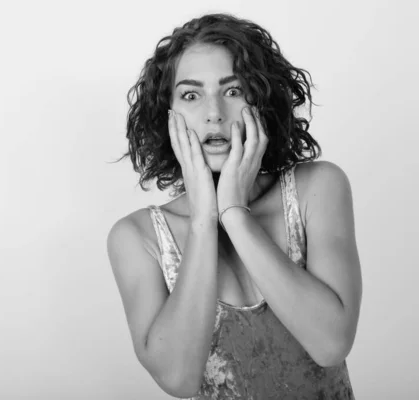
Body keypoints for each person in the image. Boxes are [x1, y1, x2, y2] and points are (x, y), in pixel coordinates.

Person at [106, 13, 362, 399]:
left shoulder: (318, 187)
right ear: (167, 114)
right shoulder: (137, 237)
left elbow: (330, 344)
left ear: (261, 99)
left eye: (233, 90)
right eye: (191, 95)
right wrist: (204, 222)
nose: (214, 113)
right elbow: (178, 379)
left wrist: (235, 214)